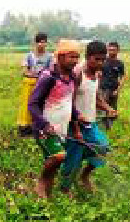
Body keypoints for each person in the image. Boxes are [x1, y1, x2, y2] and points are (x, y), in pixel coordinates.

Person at [28, 39, 82, 199]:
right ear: (60, 57)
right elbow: (32, 104)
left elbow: (67, 103)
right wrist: (44, 124)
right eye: (71, 57)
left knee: (55, 163)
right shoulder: (48, 77)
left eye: (77, 57)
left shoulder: (72, 77)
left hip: (62, 128)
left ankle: (47, 195)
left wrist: (78, 116)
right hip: (45, 128)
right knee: (59, 155)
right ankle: (40, 183)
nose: (75, 61)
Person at [60, 41, 115, 196]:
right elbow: (68, 102)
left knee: (102, 147)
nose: (100, 63)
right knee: (73, 157)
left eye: (102, 60)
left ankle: (84, 176)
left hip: (90, 123)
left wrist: (108, 109)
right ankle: (65, 189)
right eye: (96, 59)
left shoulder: (97, 74)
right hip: (74, 124)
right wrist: (76, 129)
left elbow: (95, 98)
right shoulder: (78, 74)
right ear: (88, 57)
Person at [18, 32, 54, 136]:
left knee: (41, 105)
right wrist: (29, 73)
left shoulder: (49, 57)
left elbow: (51, 70)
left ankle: (40, 126)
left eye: (44, 42)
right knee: (27, 105)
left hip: (43, 85)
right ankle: (25, 127)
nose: (42, 45)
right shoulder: (29, 56)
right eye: (40, 42)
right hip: (30, 85)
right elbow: (24, 70)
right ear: (36, 43)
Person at [99, 42, 125, 130]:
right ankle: (102, 127)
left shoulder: (120, 63)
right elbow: (97, 74)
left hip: (114, 90)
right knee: (103, 108)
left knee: (113, 108)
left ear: (118, 50)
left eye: (113, 50)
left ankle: (110, 128)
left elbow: (122, 77)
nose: (111, 51)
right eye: (109, 50)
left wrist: (118, 90)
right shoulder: (102, 61)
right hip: (103, 89)